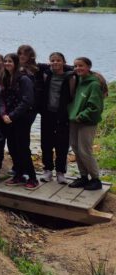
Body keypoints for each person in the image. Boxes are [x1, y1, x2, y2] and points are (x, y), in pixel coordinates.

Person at [68, 57, 106, 191]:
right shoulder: (79, 80)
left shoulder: (94, 84)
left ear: (88, 67)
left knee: (85, 151)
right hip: (74, 121)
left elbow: (96, 107)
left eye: (81, 65)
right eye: (75, 66)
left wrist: (82, 116)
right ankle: (83, 177)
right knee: (76, 150)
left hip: (87, 122)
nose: (78, 68)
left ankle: (96, 179)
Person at [0, 53, 38, 189]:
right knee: (12, 147)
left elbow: (27, 100)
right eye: (5, 61)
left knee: (23, 148)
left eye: (10, 61)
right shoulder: (6, 77)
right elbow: (2, 98)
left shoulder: (24, 79)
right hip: (8, 118)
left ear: (16, 63)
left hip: (21, 118)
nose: (7, 64)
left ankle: (33, 178)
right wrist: (4, 114)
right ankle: (19, 175)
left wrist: (13, 115)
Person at [39, 52, 75, 184]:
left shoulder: (71, 76)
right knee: (46, 143)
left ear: (64, 62)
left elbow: (72, 95)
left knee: (62, 144)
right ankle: (47, 170)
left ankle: (61, 172)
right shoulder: (46, 74)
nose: (55, 63)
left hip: (63, 114)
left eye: (58, 60)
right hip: (47, 113)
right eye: (52, 60)